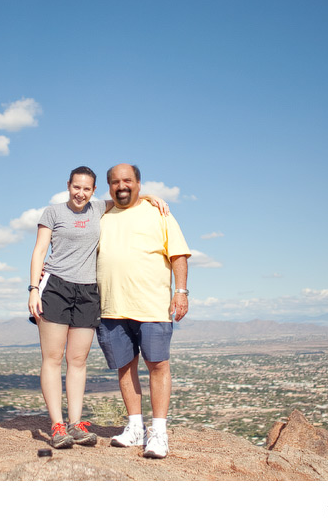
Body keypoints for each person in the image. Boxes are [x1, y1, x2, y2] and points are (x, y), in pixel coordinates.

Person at [28, 166, 169, 449]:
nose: (80, 193)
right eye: (75, 187)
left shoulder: (98, 209)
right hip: (55, 287)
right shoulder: (53, 213)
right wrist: (33, 289)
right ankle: (57, 426)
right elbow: (39, 251)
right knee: (53, 359)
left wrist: (152, 196)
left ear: (94, 191)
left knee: (78, 361)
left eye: (86, 189)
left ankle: (76, 424)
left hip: (89, 291)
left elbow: (126, 196)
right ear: (68, 185)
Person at [95, 163, 191, 459]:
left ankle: (159, 433)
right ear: (109, 186)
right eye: (115, 182)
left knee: (157, 365)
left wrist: (181, 292)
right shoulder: (102, 215)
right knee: (125, 366)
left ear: (138, 183)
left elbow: (177, 254)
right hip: (111, 306)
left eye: (127, 181)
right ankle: (135, 428)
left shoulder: (158, 212)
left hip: (152, 305)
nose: (121, 186)